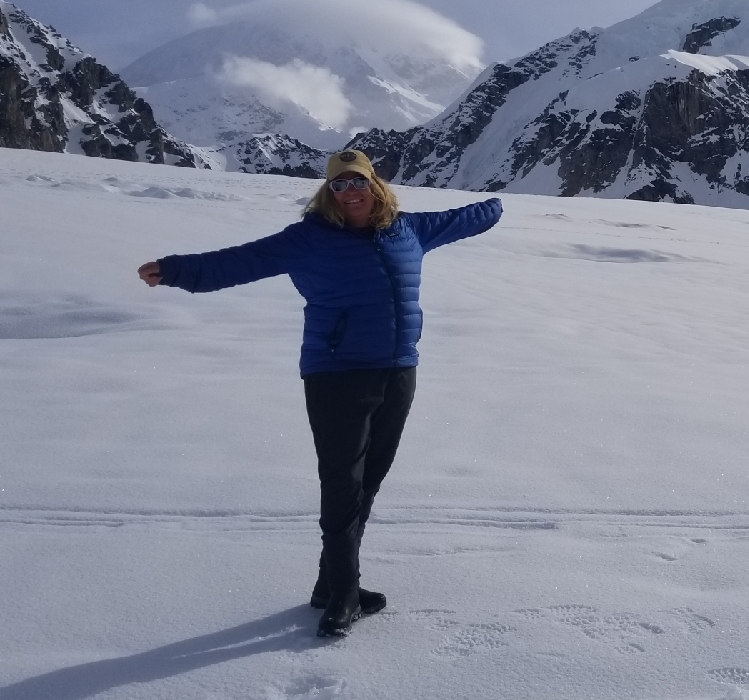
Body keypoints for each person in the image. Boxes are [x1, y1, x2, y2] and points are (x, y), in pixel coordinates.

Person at [137, 149, 502, 638]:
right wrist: (178, 270)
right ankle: (344, 595)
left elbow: (465, 218)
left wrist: (497, 206)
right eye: (339, 185)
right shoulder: (309, 239)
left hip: (398, 372)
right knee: (341, 484)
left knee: (369, 480)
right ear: (327, 193)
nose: (349, 192)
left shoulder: (408, 229)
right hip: (337, 375)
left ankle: (328, 585)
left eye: (357, 182)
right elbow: (242, 261)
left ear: (375, 185)